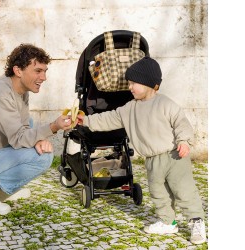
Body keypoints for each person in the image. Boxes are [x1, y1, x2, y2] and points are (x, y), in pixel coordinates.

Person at [76, 57, 207, 244]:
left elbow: (181, 123)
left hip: (174, 155)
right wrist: (87, 120)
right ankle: (168, 222)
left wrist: (184, 141)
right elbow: (109, 118)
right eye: (129, 83)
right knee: (158, 192)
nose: (130, 87)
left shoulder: (165, 104)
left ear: (150, 84)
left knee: (184, 190)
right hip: (152, 160)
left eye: (133, 83)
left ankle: (196, 221)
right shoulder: (130, 108)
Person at [0, 44, 71, 215]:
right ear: (18, 70)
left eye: (45, 71)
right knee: (43, 157)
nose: (44, 77)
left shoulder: (20, 91)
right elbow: (19, 139)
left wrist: (39, 139)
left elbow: (24, 127)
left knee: (32, 125)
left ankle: (0, 190)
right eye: (38, 71)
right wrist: (53, 126)